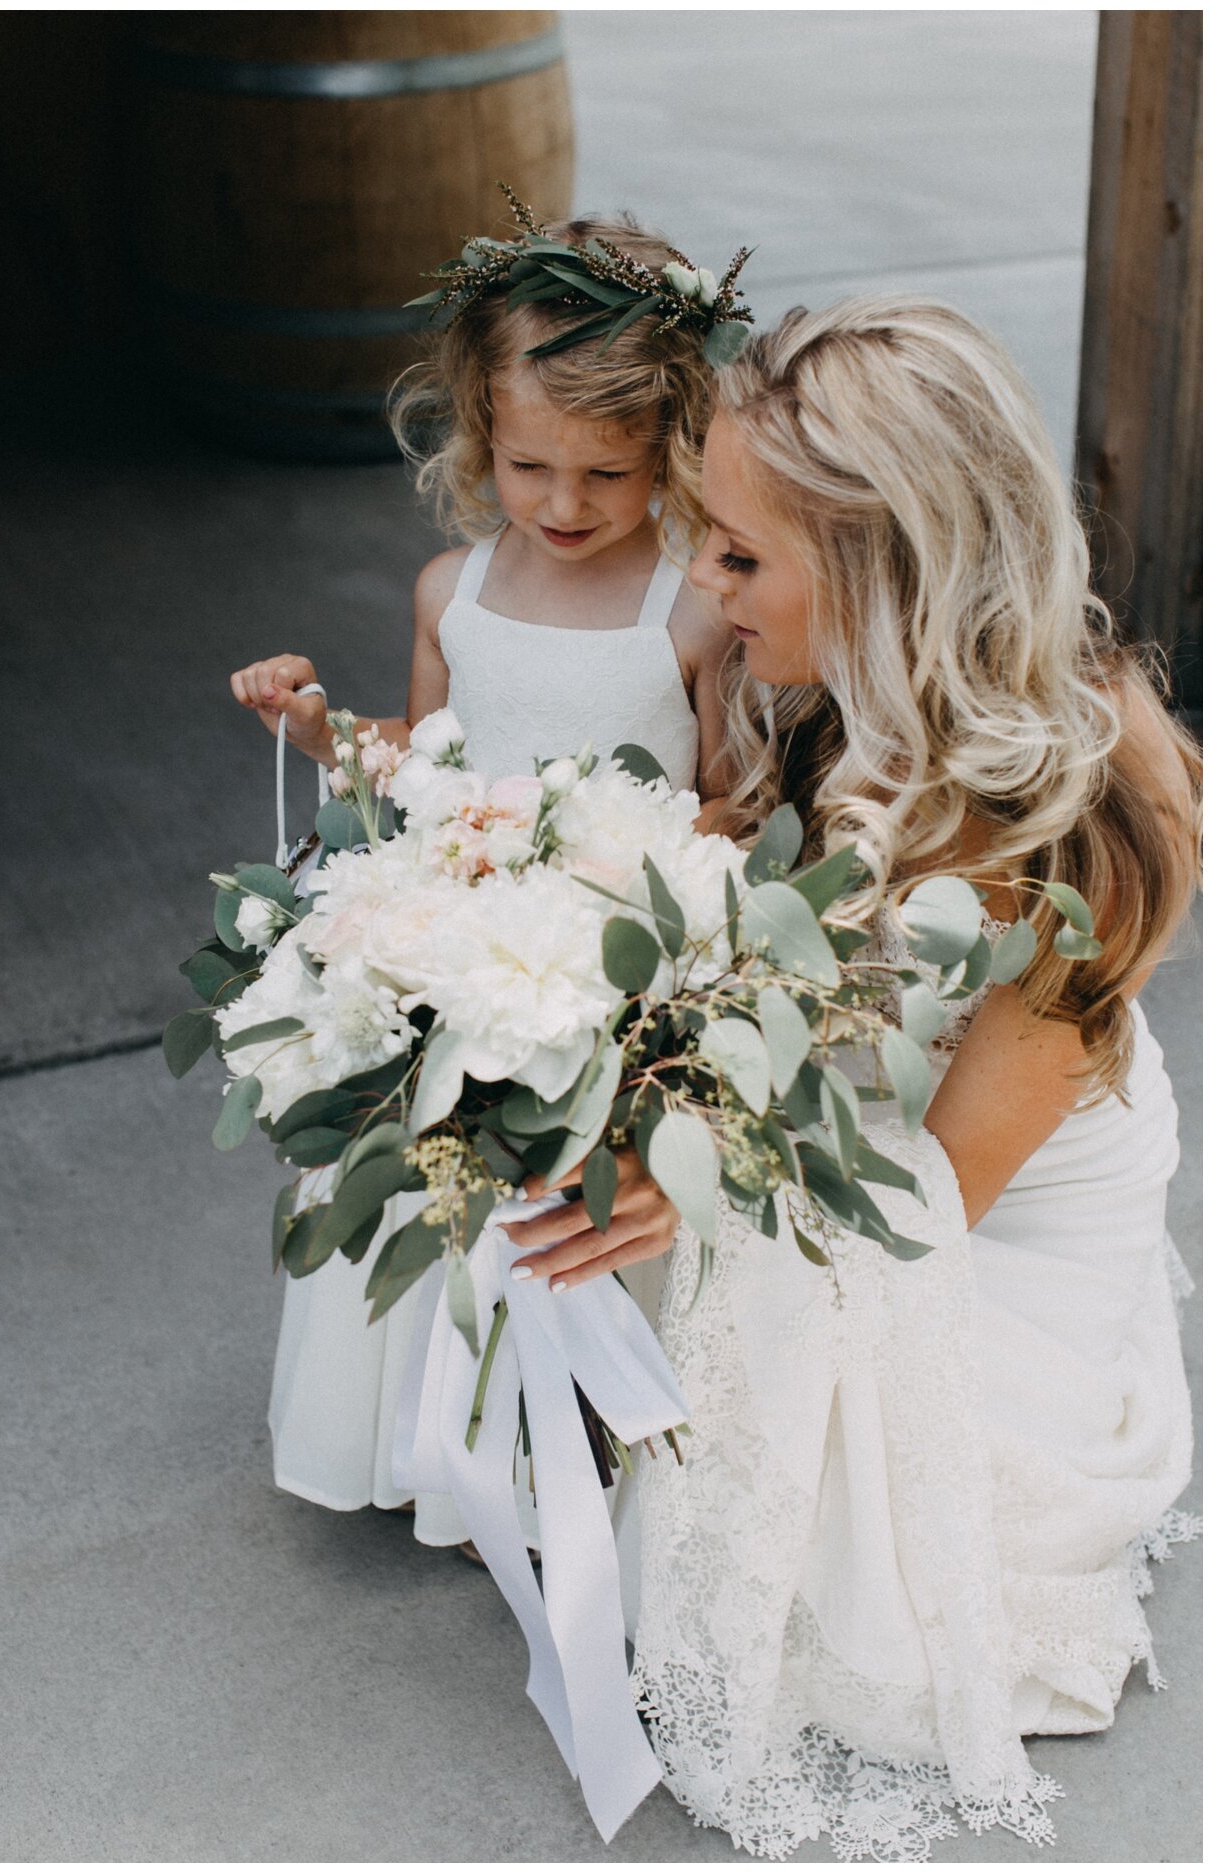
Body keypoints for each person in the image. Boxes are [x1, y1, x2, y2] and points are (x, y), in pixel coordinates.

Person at [515, 296, 1200, 1859]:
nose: (699, 584)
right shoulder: (811, 696)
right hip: (859, 1116)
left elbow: (934, 1195)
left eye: (743, 557)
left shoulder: (1092, 810)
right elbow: (771, 970)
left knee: (827, 1570)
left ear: (893, 570)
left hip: (985, 1215)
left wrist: (688, 1179)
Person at [225, 204, 742, 1549]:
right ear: (475, 430)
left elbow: (731, 804)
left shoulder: (687, 610)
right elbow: (427, 770)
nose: (565, 506)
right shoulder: (450, 590)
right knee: (448, 1190)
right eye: (530, 466)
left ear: (674, 450)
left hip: (615, 971)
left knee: (577, 1216)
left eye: (610, 477)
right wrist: (322, 731)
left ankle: (587, 1445)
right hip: (472, 960)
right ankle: (436, 1440)